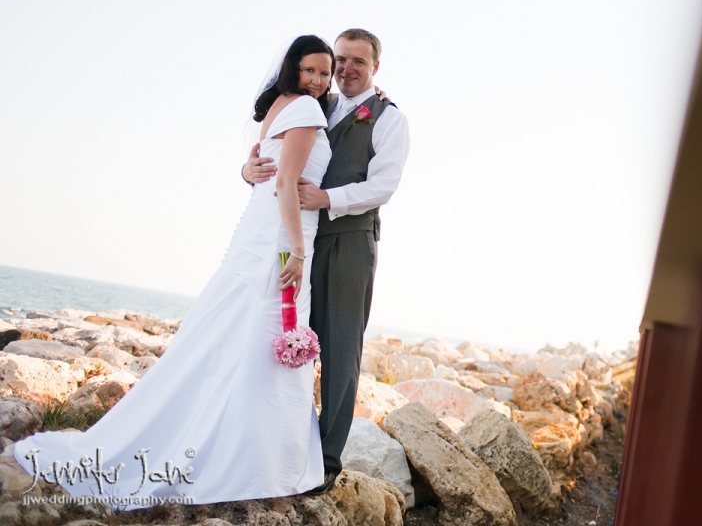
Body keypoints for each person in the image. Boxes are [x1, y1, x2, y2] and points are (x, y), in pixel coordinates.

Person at [13, 35, 335, 509]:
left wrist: (250, 177)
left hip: (260, 234)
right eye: (310, 70)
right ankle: (256, 461)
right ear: (292, 69)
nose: (318, 80)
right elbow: (285, 180)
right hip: (282, 241)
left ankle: (232, 443)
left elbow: (260, 171)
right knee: (271, 335)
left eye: (324, 73)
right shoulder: (305, 110)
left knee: (236, 337)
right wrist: (299, 252)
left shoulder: (279, 107)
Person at [242, 28, 411, 494]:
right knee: (287, 333)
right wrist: (245, 169)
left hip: (348, 241)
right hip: (303, 239)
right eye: (341, 58)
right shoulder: (315, 103)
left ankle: (327, 462)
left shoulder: (388, 117)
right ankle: (282, 441)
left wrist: (326, 198)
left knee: (338, 351)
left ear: (375, 67)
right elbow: (277, 155)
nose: (346, 67)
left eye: (359, 60)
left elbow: (384, 185)